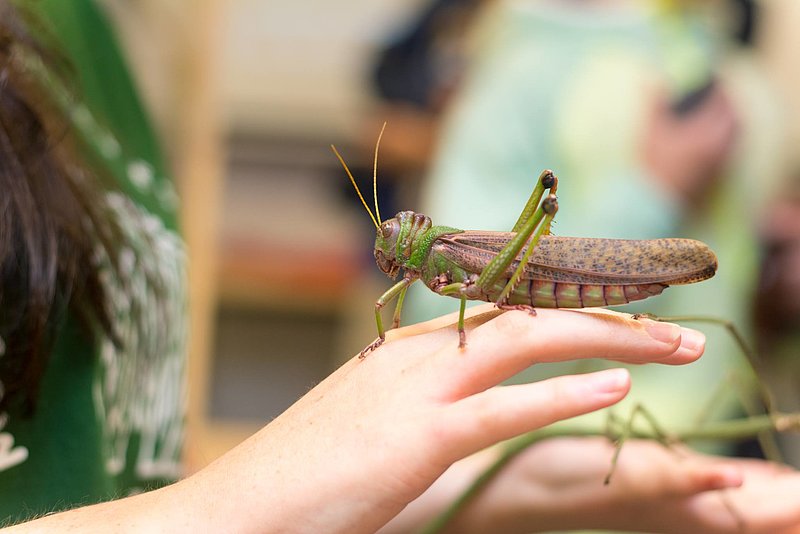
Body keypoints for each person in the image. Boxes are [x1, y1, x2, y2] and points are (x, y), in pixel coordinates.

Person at [5, 2, 800, 533]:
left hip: (548, 279)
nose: (393, 252)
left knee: (539, 214)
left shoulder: (104, 47)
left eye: (398, 241)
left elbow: (437, 316)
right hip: (555, 348)